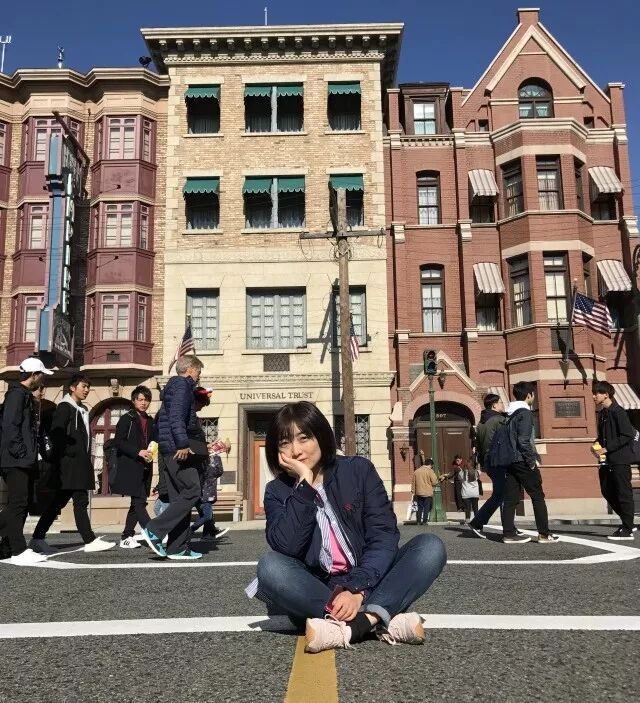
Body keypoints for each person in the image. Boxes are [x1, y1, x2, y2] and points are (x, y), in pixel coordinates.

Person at [249, 401, 447, 654]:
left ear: (321, 436)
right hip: (319, 589)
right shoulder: (277, 491)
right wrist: (305, 487)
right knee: (270, 567)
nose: (296, 450)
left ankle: (354, 624)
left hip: (370, 578)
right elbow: (287, 546)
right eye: (285, 443)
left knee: (430, 547)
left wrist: (357, 590)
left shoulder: (358, 471)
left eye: (304, 438)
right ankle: (379, 617)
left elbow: (383, 537)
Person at [30, 374, 115, 554]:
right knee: (80, 501)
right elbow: (57, 433)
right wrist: (70, 452)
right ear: (72, 388)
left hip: (77, 464)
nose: (86, 390)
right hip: (70, 464)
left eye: (88, 387)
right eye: (83, 386)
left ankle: (37, 538)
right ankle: (89, 540)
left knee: (57, 503)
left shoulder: (81, 409)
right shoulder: (65, 407)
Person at [141, 355, 204, 560]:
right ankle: (154, 530)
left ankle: (177, 547)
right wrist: (183, 444)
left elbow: (166, 419)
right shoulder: (182, 385)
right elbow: (177, 417)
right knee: (193, 490)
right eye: (198, 372)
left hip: (169, 449)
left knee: (179, 498)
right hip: (177, 450)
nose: (199, 376)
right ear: (190, 369)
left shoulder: (173, 387)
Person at [0, 357, 53, 565]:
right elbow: (11, 427)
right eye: (41, 375)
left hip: (23, 460)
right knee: (18, 503)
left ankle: (6, 547)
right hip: (15, 460)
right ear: (34, 375)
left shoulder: (24, 395)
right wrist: (22, 453)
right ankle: (18, 550)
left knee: (23, 503)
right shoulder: (16, 395)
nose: (42, 380)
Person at [501, 382, 558, 545]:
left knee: (510, 498)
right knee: (537, 496)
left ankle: (508, 534)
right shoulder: (525, 413)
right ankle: (544, 534)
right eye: (533, 394)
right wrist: (531, 461)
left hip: (510, 461)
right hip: (523, 460)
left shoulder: (509, 414)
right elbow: (524, 441)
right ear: (529, 395)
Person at [111, 386, 155, 549]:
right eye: (140, 399)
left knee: (138, 502)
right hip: (130, 466)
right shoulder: (127, 419)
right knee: (139, 501)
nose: (144, 403)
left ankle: (126, 536)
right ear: (134, 401)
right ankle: (153, 533)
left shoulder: (150, 420)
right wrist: (138, 452)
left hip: (145, 466)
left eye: (146, 400)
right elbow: (118, 442)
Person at [592, 381, 637, 540]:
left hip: (620, 460)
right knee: (606, 490)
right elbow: (602, 437)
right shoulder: (603, 414)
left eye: (596, 393)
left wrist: (606, 448)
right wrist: (595, 445)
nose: (594, 396)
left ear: (606, 394)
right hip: (607, 461)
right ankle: (628, 522)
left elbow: (627, 435)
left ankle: (627, 529)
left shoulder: (619, 412)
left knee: (623, 493)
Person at [467, 394, 506, 539]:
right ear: (494, 405)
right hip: (499, 461)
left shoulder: (481, 423)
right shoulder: (499, 420)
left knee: (500, 494)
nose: (503, 405)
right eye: (500, 402)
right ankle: (507, 528)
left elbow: (478, 445)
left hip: (488, 463)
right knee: (503, 494)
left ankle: (507, 527)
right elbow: (505, 441)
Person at [411, 455, 439, 526]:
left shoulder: (416, 471)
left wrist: (413, 491)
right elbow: (434, 482)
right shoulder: (430, 471)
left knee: (419, 507)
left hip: (419, 492)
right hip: (427, 493)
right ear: (430, 465)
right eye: (431, 466)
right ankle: (424, 521)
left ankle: (418, 521)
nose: (431, 467)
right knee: (426, 507)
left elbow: (413, 482)